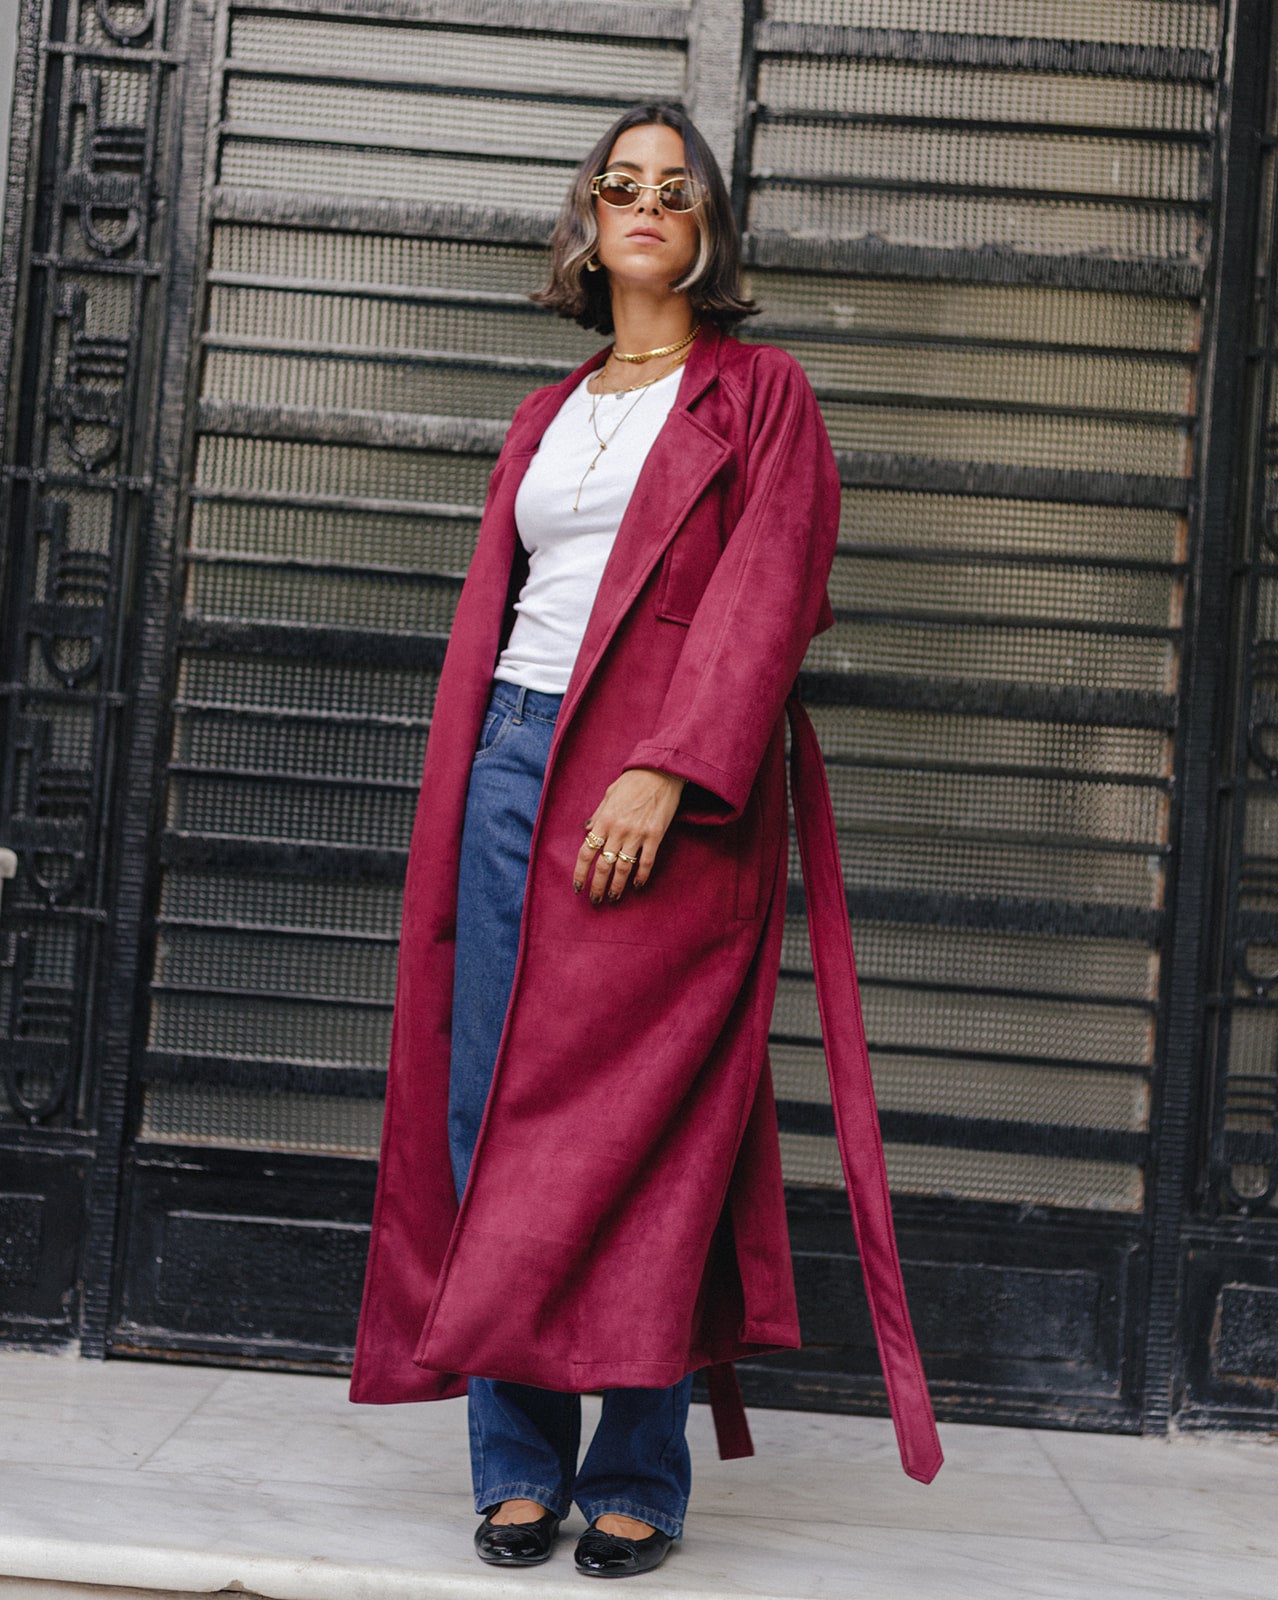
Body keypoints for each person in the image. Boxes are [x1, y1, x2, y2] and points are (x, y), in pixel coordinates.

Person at [348, 102, 942, 1580]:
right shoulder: (547, 415)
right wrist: (515, 767)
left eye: (679, 188)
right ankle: (514, 1463)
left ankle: (636, 1466)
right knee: (492, 1103)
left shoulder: (759, 397)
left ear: (709, 230)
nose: (649, 204)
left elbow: (769, 595)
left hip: (662, 793)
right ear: (588, 221)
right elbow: (504, 613)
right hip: (510, 767)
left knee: (638, 1130)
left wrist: (667, 773)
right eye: (623, 182)